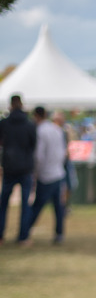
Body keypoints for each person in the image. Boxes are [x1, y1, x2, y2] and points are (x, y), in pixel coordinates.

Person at [0, 94, 37, 245]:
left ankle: (0, 236)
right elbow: (33, 145)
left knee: (3, 204)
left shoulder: (4, 123)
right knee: (25, 204)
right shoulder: (29, 124)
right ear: (21, 105)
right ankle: (23, 236)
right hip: (25, 168)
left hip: (9, 167)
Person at [27, 106, 67, 244]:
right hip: (58, 172)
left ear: (36, 116)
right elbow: (63, 152)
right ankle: (59, 233)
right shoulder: (57, 130)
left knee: (37, 206)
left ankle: (25, 231)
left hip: (46, 174)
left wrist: (36, 172)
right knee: (59, 207)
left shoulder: (40, 131)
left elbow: (39, 155)